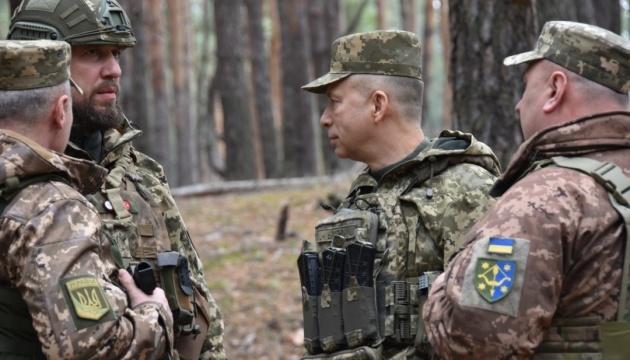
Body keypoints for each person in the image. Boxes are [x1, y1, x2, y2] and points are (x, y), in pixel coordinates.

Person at [7, 1, 226, 359]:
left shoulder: (140, 175)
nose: (114, 70)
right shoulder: (19, 181)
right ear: (42, 62)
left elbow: (198, 307)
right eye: (93, 53)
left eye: (117, 54)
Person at [423, 21, 630, 359]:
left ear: (555, 89)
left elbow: (477, 342)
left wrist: (439, 298)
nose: (519, 105)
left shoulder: (543, 199)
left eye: (525, 88)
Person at [298, 29, 501, 359]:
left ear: (378, 105)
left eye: (335, 102)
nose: (325, 119)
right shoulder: (360, 198)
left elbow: (495, 332)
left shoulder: (469, 193)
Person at [0, 39, 173, 359]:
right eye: (93, 53)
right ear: (61, 109)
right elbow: (95, 350)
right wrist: (154, 314)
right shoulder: (51, 210)